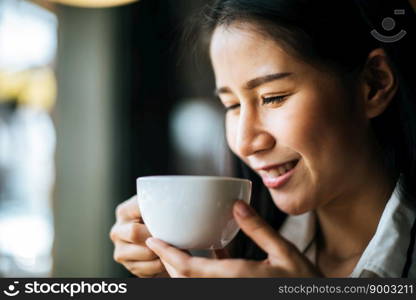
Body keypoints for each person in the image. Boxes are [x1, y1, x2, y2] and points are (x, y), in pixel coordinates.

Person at [110, 0, 416, 278]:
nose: (244, 143)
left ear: (373, 85)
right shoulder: (238, 261)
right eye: (231, 105)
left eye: (273, 98)